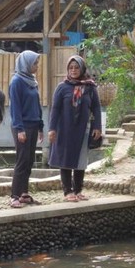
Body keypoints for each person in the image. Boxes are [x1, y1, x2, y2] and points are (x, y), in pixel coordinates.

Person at [48, 55, 102, 202]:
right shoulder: (62, 87)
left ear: (82, 68)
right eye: (71, 68)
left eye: (76, 67)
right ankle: (67, 191)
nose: (73, 70)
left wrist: (98, 126)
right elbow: (55, 109)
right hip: (65, 129)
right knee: (65, 158)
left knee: (80, 159)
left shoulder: (90, 87)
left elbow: (96, 107)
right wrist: (52, 129)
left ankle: (78, 190)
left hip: (83, 128)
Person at [8, 50, 44, 208]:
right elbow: (15, 108)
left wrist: (41, 126)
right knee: (22, 160)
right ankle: (14, 195)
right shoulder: (16, 81)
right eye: (35, 63)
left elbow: (37, 105)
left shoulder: (32, 81)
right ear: (26, 64)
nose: (37, 66)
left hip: (33, 125)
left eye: (37, 62)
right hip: (22, 126)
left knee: (29, 160)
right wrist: (20, 129)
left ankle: (24, 193)